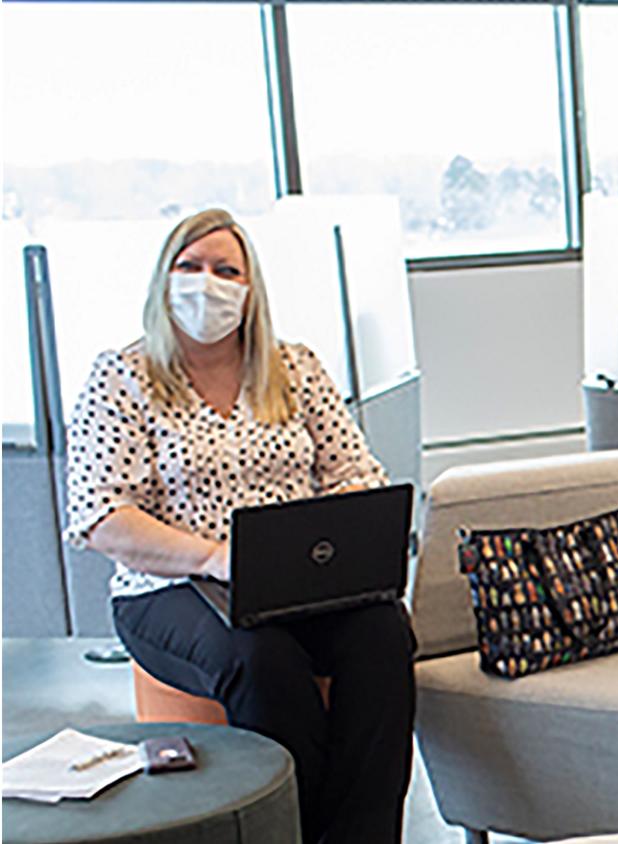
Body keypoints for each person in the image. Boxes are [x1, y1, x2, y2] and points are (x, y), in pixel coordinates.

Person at [64, 209, 416, 844]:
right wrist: (211, 556)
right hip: (170, 589)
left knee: (384, 634)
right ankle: (292, 831)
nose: (208, 283)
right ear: (163, 280)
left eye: (227, 270)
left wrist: (341, 537)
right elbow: (100, 516)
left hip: (300, 585)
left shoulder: (295, 368)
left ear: (251, 288)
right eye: (190, 266)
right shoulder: (122, 378)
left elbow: (356, 473)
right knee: (261, 658)